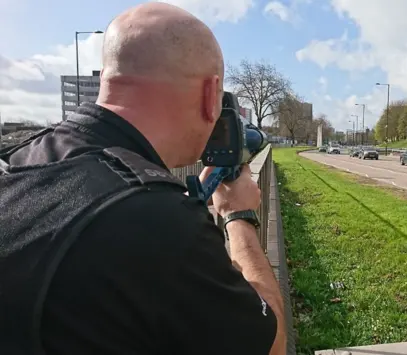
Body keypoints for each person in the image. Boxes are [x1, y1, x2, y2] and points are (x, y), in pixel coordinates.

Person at [0, 3, 286, 355]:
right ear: (212, 96)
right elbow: (269, 345)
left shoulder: (17, 157)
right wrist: (238, 215)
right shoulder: (157, 218)